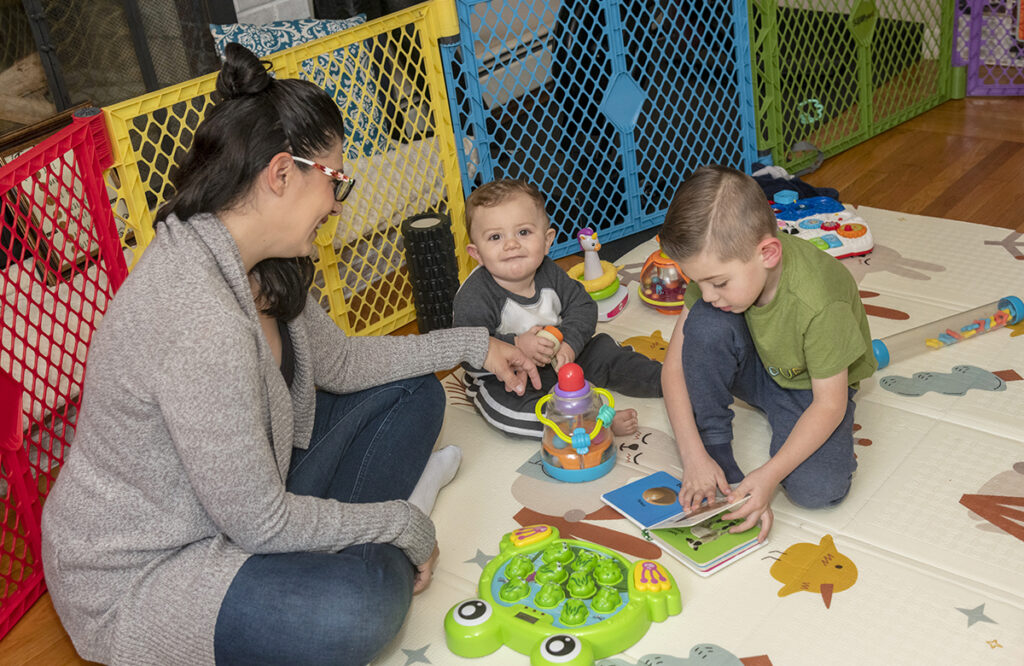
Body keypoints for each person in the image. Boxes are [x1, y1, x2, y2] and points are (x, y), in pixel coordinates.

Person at [40, 44, 540, 666]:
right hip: (156, 568)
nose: (338, 203)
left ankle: (354, 537)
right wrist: (400, 525)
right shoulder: (197, 319)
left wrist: (478, 345)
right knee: (358, 611)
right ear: (281, 174)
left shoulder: (262, 265)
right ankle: (386, 525)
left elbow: (343, 366)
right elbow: (260, 526)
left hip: (250, 497)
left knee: (419, 392)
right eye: (335, 181)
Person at [659, 165, 876, 539]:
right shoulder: (717, 276)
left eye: (719, 283)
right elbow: (674, 368)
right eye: (699, 283)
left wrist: (769, 475)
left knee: (818, 491)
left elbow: (829, 404)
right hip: (758, 365)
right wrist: (695, 454)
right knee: (706, 323)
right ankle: (718, 449)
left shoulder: (819, 303)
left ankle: (784, 430)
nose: (708, 294)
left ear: (768, 253)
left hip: (810, 390)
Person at [452, 178, 663, 440]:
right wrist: (515, 345)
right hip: (507, 378)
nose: (511, 244)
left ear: (547, 240)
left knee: (606, 352)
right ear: (477, 253)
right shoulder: (475, 296)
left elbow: (583, 307)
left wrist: (570, 345)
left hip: (560, 359)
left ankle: (668, 380)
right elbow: (467, 351)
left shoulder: (548, 271)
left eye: (524, 232)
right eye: (495, 237)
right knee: (504, 410)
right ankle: (588, 426)